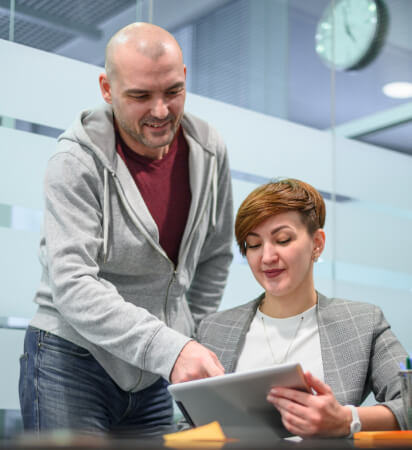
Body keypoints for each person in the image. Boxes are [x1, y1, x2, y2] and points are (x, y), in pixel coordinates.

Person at [19, 22, 233, 436]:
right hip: (72, 360)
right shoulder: (74, 162)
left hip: (155, 371)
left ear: (185, 77)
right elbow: (73, 283)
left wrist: (191, 338)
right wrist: (173, 348)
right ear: (107, 88)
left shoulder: (209, 150)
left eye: (173, 91)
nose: (161, 111)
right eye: (140, 96)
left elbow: (216, 255)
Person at [197, 178, 407, 438]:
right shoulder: (214, 329)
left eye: (283, 240)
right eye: (254, 245)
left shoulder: (362, 323)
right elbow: (192, 424)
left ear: (317, 243)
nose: (267, 257)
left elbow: (408, 403)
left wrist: (346, 419)